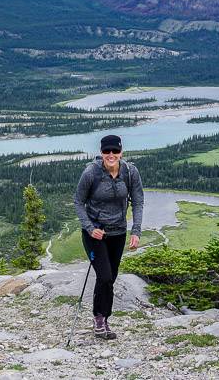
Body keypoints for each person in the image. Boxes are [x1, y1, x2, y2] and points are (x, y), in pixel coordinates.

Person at [74, 134, 144, 339]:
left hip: (118, 233)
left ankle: (104, 319)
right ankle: (98, 319)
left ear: (121, 152)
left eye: (115, 151)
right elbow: (78, 202)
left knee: (110, 279)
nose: (111, 155)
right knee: (104, 276)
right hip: (95, 234)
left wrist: (136, 231)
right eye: (107, 151)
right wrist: (89, 227)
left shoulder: (130, 172)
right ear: (101, 152)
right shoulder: (91, 173)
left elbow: (138, 201)